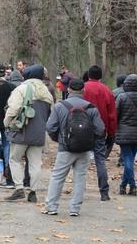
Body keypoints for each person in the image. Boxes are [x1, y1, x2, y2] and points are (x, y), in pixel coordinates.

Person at [44, 78, 104, 216]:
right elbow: (100, 129)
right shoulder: (91, 108)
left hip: (65, 148)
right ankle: (75, 208)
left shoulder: (60, 106)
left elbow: (50, 127)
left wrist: (59, 139)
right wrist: (90, 140)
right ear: (83, 90)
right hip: (84, 149)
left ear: (69, 89)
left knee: (58, 176)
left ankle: (52, 206)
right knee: (80, 177)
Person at [3, 64, 53, 203]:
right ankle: (33, 191)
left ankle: (19, 188)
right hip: (39, 133)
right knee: (35, 163)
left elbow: (13, 109)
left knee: (14, 159)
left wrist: (6, 123)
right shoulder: (47, 92)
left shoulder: (22, 89)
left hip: (22, 130)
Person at [83, 65, 116, 201]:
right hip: (100, 130)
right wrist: (111, 133)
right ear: (100, 76)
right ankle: (104, 192)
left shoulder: (82, 88)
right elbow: (112, 115)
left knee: (78, 159)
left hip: (82, 129)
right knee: (100, 161)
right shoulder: (107, 90)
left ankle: (78, 190)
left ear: (88, 74)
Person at [115, 74, 137, 196]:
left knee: (128, 159)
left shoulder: (121, 97)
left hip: (123, 133)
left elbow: (116, 115)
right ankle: (123, 186)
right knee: (130, 159)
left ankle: (131, 185)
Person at [112, 74, 127, 166]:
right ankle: (122, 158)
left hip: (117, 117)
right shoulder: (130, 91)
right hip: (128, 118)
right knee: (125, 140)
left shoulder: (114, 92)